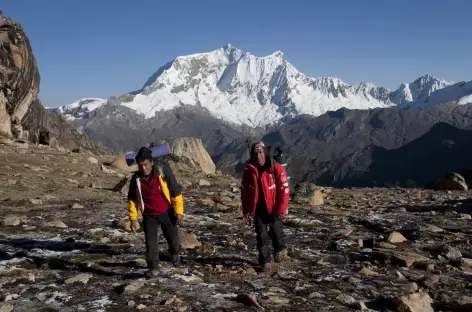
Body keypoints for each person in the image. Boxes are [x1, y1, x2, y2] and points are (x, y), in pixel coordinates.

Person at [127, 147, 184, 277]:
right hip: (149, 215)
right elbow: (132, 200)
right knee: (151, 243)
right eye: (140, 166)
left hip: (167, 212)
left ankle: (174, 254)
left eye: (146, 164)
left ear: (152, 162)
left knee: (174, 240)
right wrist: (133, 219)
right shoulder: (136, 179)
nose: (143, 168)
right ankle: (153, 267)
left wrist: (179, 211)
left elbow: (175, 191)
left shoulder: (163, 172)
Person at [241, 141, 290, 271]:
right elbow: (245, 191)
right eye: (255, 153)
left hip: (274, 206)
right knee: (261, 234)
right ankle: (265, 260)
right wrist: (246, 209)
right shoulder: (249, 170)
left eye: (260, 152)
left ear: (265, 153)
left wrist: (281, 208)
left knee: (276, 230)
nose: (258, 155)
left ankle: (280, 249)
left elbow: (284, 188)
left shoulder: (276, 167)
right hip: (258, 207)